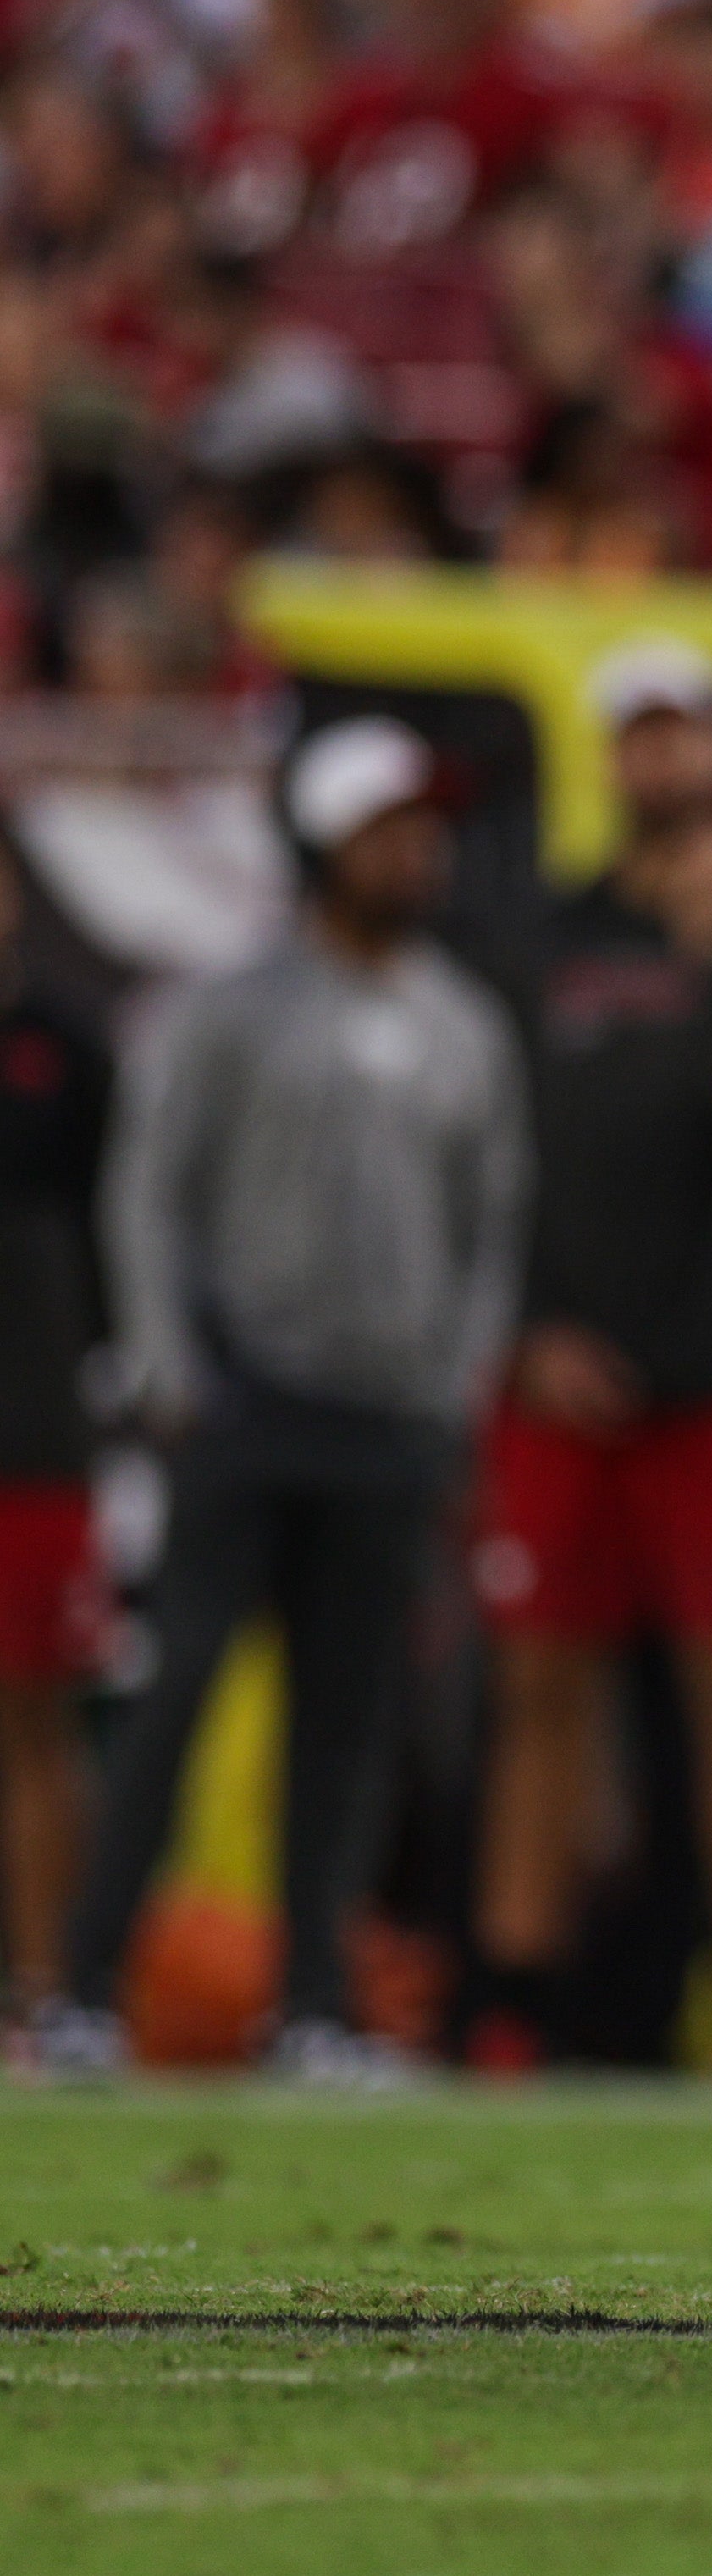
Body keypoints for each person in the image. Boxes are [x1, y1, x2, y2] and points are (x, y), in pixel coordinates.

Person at [54, 719, 524, 2078]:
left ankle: (315, 2004)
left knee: (350, 1727)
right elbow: (152, 1192)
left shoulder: (459, 1022)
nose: (414, 853)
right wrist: (170, 1364)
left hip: (390, 1419)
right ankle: (84, 1988)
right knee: (178, 1700)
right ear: (321, 847)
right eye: (385, 830)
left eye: (423, 830)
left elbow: (490, 1221)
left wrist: (455, 1384)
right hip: (245, 1405)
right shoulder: (233, 1007)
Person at [469, 635, 712, 2068]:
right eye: (640, 733)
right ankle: (514, 1994)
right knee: (539, 1689)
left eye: (685, 730)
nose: (663, 758)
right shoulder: (541, 935)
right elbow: (494, 1155)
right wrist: (523, 1332)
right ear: (610, 755)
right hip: (557, 1380)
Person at [0, 832, 111, 2032]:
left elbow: (109, 1227)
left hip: (31, 1424)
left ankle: (48, 1993)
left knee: (37, 1712)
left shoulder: (66, 1049)